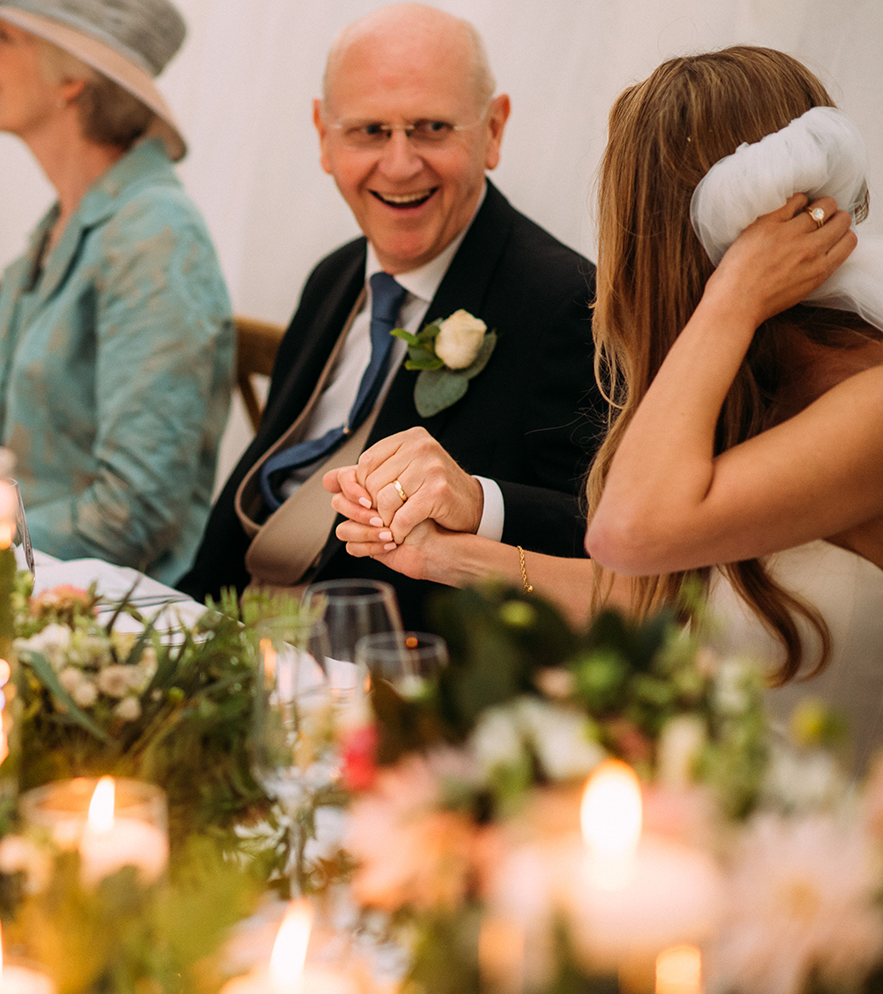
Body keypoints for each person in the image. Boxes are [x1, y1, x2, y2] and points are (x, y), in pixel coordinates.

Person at [328, 48, 883, 765]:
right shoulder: (736, 392)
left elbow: (626, 533)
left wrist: (731, 297)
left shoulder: (868, 405)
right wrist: (444, 556)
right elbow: (650, 597)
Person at [178, 4, 601, 626]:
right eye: (369, 131)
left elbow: (606, 533)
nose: (399, 165)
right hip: (222, 623)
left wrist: (480, 502)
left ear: (494, 130)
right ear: (324, 136)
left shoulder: (563, 300)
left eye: (431, 128)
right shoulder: (335, 275)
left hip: (383, 671)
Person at [0, 0, 234, 585]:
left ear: (73, 77)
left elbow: (134, 513)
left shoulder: (157, 236)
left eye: (5, 36)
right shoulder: (50, 236)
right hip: (21, 583)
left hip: (115, 618)